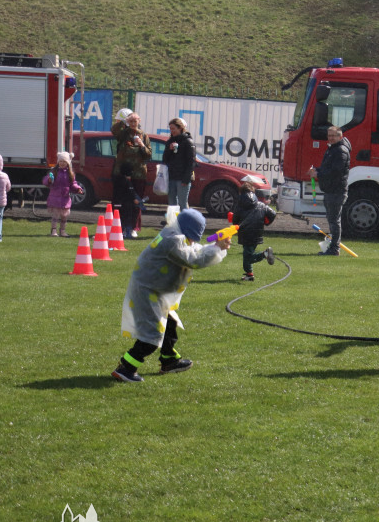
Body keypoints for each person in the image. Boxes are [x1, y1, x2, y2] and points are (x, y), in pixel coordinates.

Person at [112, 208, 231, 383]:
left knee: (170, 324)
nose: (192, 241)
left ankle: (169, 360)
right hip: (149, 291)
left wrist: (215, 247)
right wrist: (216, 248)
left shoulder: (174, 233)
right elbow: (193, 260)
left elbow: (193, 250)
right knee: (151, 337)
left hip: (154, 290)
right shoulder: (173, 240)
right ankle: (126, 368)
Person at [308, 125, 350, 256]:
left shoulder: (341, 150)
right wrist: (317, 170)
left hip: (337, 191)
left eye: (333, 136)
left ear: (340, 136)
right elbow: (329, 168)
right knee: (332, 220)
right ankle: (333, 247)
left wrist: (318, 174)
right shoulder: (333, 149)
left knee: (334, 221)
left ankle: (334, 248)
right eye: (329, 135)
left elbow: (336, 172)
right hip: (331, 190)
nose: (330, 138)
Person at [111, 111, 151, 237]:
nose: (133, 123)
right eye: (131, 121)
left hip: (138, 173)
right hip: (122, 172)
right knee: (121, 200)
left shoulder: (144, 135)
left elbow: (149, 154)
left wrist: (142, 145)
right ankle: (121, 227)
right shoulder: (123, 134)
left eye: (135, 121)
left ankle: (134, 228)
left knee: (136, 201)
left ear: (139, 122)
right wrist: (122, 121)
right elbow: (114, 130)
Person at [236, 176, 276, 281]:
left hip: (245, 233)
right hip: (258, 233)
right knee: (248, 254)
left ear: (241, 193)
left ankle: (265, 254)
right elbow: (273, 213)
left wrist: (234, 220)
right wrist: (267, 222)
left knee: (248, 257)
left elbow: (235, 220)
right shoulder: (261, 205)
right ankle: (249, 275)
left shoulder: (239, 205)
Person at [43, 151, 84, 237]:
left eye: (64, 161)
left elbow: (73, 184)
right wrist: (49, 180)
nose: (62, 163)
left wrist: (78, 189)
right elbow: (46, 181)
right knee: (55, 216)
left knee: (64, 217)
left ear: (68, 163)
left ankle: (63, 231)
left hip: (65, 198)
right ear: (58, 162)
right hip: (55, 197)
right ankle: (53, 231)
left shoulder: (70, 174)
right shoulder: (54, 171)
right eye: (60, 161)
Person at [162, 117, 195, 211]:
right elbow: (165, 159)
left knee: (182, 203)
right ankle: (173, 223)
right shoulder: (170, 141)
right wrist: (169, 149)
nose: (171, 131)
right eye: (170, 129)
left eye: (173, 129)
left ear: (180, 128)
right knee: (172, 203)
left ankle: (185, 224)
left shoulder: (188, 142)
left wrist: (186, 178)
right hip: (172, 176)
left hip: (182, 178)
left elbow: (191, 162)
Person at [113, 162, 145, 237]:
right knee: (127, 217)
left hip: (117, 203)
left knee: (119, 218)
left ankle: (119, 230)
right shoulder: (127, 182)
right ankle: (127, 232)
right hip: (126, 204)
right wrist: (135, 199)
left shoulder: (117, 180)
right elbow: (131, 192)